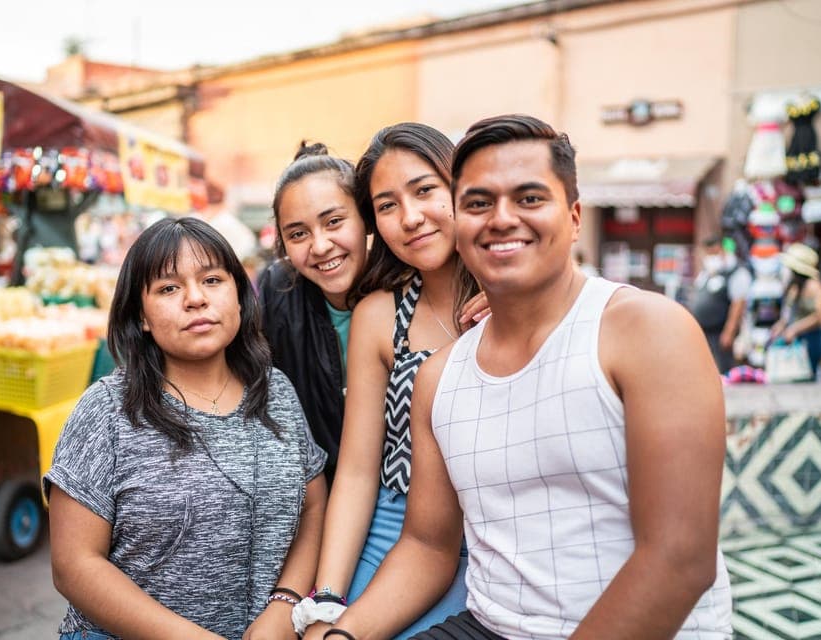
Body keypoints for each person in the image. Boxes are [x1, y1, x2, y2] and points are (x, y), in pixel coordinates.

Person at [324, 114, 733, 640]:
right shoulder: (438, 377)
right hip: (491, 624)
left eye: (529, 198)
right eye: (478, 203)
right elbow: (426, 546)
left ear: (575, 217)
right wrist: (339, 632)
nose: (501, 218)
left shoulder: (648, 331)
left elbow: (680, 559)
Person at [45, 217, 328, 640]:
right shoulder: (106, 411)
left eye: (212, 280)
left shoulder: (276, 391)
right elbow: (74, 565)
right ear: (140, 316)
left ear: (239, 295)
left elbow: (313, 507)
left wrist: (284, 604)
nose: (195, 299)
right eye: (168, 288)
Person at [299, 123, 483, 640]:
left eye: (424, 190)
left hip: (491, 534)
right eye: (387, 205)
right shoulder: (380, 314)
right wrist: (326, 598)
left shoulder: (518, 296)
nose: (411, 217)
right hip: (396, 523)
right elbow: (359, 471)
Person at [259, 142, 370, 483]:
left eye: (334, 222)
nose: (320, 246)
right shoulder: (278, 292)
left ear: (366, 218)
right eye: (298, 234)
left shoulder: (410, 288)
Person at [688, 235, 751, 374]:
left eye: (714, 253)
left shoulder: (737, 273)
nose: (710, 257)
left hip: (720, 333)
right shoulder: (706, 273)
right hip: (703, 332)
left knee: (722, 371)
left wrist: (729, 332)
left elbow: (738, 304)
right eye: (708, 253)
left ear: (723, 251)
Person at [771, 242, 821, 380]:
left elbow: (820, 316)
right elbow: (789, 311)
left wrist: (796, 328)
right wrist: (782, 324)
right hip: (797, 340)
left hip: (812, 339)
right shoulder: (795, 286)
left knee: (809, 376)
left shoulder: (813, 286)